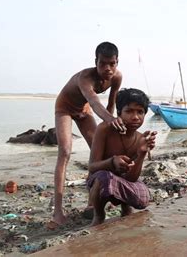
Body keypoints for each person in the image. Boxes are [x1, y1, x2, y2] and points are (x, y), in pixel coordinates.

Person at [51, 41, 126, 227]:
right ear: (96, 61)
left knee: (98, 152)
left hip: (84, 109)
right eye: (102, 64)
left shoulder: (117, 77)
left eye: (112, 64)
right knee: (65, 152)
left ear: (117, 62)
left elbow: (111, 104)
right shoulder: (85, 77)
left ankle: (92, 202)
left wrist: (108, 126)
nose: (107, 68)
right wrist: (110, 119)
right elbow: (94, 101)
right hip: (65, 108)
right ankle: (57, 212)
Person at [87, 88, 156, 226]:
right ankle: (99, 215)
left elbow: (132, 178)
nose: (135, 117)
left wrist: (142, 153)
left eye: (140, 112)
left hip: (123, 180)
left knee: (143, 198)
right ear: (119, 113)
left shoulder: (139, 138)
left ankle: (126, 209)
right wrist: (112, 162)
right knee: (104, 177)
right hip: (99, 181)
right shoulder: (105, 129)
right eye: (129, 111)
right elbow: (92, 166)